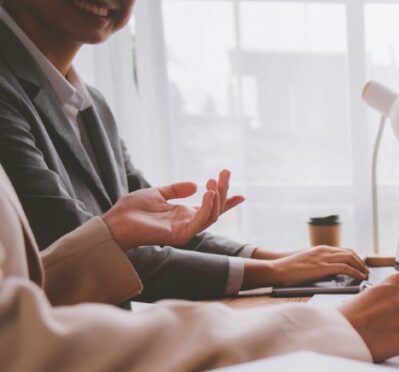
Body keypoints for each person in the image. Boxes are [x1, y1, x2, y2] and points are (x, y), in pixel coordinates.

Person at [0, 161, 399, 372]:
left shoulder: (91, 102)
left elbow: (20, 288)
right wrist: (331, 326)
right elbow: (16, 351)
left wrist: (105, 236)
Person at [0, 0, 369, 301]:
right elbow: (88, 250)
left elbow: (158, 227)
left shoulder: (89, 102)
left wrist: (280, 258)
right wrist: (273, 272)